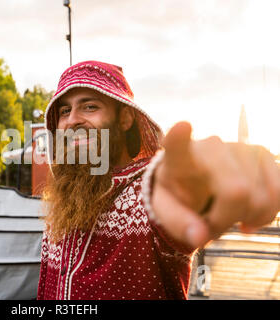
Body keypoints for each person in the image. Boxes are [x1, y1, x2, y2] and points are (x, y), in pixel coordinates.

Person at [36, 60, 279, 300]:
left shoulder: (145, 193)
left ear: (125, 119)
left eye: (89, 106)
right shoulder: (63, 200)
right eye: (65, 111)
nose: (72, 120)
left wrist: (199, 186)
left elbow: (167, 197)